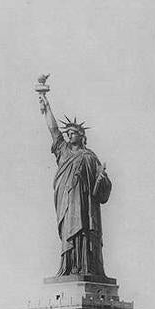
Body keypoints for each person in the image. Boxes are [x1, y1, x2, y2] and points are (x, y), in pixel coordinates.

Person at [39, 92, 112, 277]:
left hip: (86, 208)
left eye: (73, 133)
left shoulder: (90, 157)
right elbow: (54, 130)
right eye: (68, 133)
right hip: (68, 204)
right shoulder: (62, 151)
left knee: (84, 235)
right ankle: (70, 268)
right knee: (69, 236)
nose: (69, 136)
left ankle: (87, 268)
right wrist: (46, 106)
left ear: (81, 136)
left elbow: (102, 190)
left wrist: (102, 179)